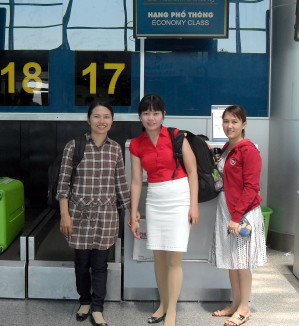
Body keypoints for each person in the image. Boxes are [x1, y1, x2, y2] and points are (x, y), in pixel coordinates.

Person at [57, 100, 130, 326]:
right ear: (88, 119)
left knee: (100, 264)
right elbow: (63, 183)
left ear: (112, 121)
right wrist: (65, 215)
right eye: (97, 116)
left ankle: (98, 307)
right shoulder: (74, 146)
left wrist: (132, 212)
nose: (101, 121)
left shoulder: (115, 148)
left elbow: (120, 183)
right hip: (79, 214)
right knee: (81, 263)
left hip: (106, 216)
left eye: (106, 116)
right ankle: (85, 301)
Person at [129, 94, 200, 326]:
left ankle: (172, 312)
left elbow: (192, 172)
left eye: (155, 113)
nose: (151, 118)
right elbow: (137, 181)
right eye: (146, 113)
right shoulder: (136, 144)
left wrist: (193, 205)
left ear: (163, 114)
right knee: (158, 258)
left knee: (174, 259)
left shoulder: (177, 136)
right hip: (155, 199)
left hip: (179, 197)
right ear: (140, 116)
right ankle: (162, 304)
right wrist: (133, 213)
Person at [209, 105, 267, 326]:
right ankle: (235, 303)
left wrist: (236, 217)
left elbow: (251, 188)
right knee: (233, 261)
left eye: (234, 121)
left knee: (243, 263)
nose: (229, 126)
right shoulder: (227, 147)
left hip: (242, 214)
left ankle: (244, 307)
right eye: (225, 121)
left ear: (244, 124)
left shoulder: (249, 151)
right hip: (228, 211)